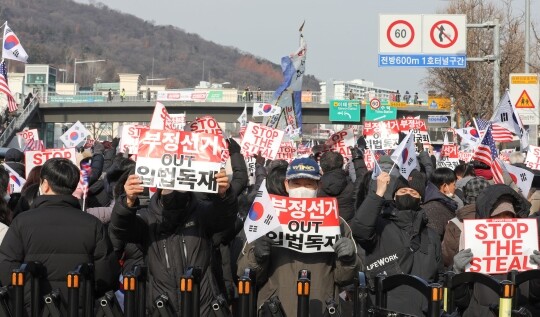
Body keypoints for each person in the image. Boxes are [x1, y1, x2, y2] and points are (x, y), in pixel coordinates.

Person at [237, 158, 362, 316]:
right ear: (287, 185)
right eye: (296, 184)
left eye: (309, 184)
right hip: (276, 310)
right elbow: (243, 272)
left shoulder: (336, 222)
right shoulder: (267, 218)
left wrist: (349, 260)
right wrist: (257, 257)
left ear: (318, 186)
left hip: (321, 309)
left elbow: (345, 278)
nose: (302, 189)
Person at [109, 169, 238, 315]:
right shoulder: (148, 219)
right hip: (162, 307)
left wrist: (223, 195)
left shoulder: (201, 214)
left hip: (203, 306)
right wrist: (128, 202)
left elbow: (226, 217)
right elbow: (120, 229)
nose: (174, 192)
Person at [0, 158, 119, 310]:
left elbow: (6, 269)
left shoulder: (22, 222)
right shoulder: (93, 224)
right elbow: (106, 276)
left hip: (34, 308)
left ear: (44, 184)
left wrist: (29, 298)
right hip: (77, 307)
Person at [350, 171, 441, 316]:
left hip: (422, 311)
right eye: (403, 190)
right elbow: (360, 229)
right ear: (393, 196)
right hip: (384, 308)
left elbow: (439, 276)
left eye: (413, 192)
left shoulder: (431, 235)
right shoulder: (380, 226)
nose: (408, 194)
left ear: (421, 199)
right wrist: (378, 193)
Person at [452, 184, 539, 316]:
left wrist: (537, 274)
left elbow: (535, 296)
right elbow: (462, 301)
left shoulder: (526, 247)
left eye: (508, 214)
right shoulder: (472, 246)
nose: (503, 220)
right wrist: (458, 275)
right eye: (497, 215)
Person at [421, 167, 459, 240]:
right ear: (445, 186)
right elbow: (433, 240)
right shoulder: (433, 209)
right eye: (454, 184)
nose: (455, 187)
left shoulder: (441, 203)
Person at [318, 151, 355, 222]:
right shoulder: (353, 185)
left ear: (322, 167)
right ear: (342, 164)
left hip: (323, 227)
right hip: (348, 229)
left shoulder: (315, 186)